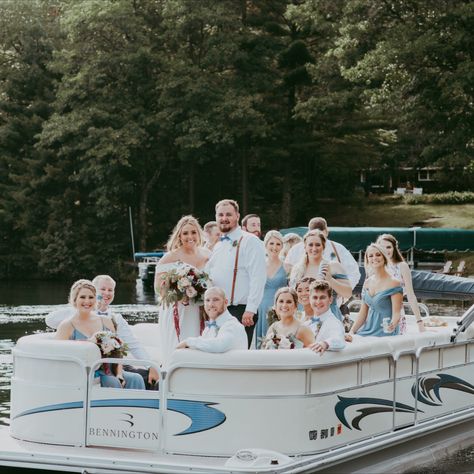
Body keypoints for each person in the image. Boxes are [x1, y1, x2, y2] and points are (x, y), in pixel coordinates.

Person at [46, 275, 158, 387]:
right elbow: (50, 320)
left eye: (110, 290)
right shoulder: (70, 320)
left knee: (139, 378)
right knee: (115, 380)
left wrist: (150, 365)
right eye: (103, 289)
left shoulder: (114, 319)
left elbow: (132, 344)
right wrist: (83, 307)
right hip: (88, 368)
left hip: (112, 364)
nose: (107, 293)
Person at [207, 199, 266, 348]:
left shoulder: (250, 241)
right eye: (220, 215)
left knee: (237, 356)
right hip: (219, 310)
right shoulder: (219, 244)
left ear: (238, 216)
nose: (224, 218)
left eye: (228, 214)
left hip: (241, 310)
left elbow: (258, 277)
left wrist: (251, 309)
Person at [154, 215, 210, 367]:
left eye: (193, 232)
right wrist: (180, 291)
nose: (189, 236)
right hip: (178, 308)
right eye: (185, 233)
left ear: (199, 234)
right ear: (179, 235)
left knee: (198, 343)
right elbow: (158, 288)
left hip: (200, 308)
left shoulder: (207, 254)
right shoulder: (170, 257)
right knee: (178, 344)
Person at [289, 230, 352, 321]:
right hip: (303, 317)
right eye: (310, 245)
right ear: (305, 247)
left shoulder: (333, 266)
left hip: (329, 317)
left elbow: (348, 293)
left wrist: (330, 280)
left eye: (318, 245)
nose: (314, 248)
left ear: (323, 247)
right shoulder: (297, 269)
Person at [285, 217, 361, 289]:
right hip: (303, 297)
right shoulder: (296, 250)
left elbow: (353, 272)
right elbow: (288, 274)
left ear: (326, 233)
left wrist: (342, 294)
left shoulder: (338, 249)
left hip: (330, 297)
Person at [348, 244, 403, 338]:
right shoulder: (367, 282)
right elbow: (363, 313)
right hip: (368, 330)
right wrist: (351, 332)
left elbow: (397, 313)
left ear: (384, 257)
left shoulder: (394, 283)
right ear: (367, 260)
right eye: (371, 256)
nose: (374, 258)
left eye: (378, 255)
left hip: (386, 331)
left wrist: (392, 325)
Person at [376, 233, 425, 333]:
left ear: (394, 248)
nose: (386, 250)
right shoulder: (375, 267)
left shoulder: (402, 266)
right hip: (377, 315)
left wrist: (420, 323)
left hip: (397, 314)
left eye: (388, 247)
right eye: (382, 247)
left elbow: (411, 295)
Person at [176, 287, 247, 352]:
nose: (211, 304)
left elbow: (220, 345)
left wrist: (188, 342)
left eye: (216, 300)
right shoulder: (208, 328)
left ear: (225, 302)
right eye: (207, 300)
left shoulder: (232, 325)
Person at [256, 230, 288, 346]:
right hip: (261, 307)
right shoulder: (258, 266)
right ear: (266, 245)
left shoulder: (288, 267)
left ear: (282, 246)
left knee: (279, 339)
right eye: (271, 243)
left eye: (278, 244)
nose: (275, 247)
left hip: (280, 308)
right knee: (263, 340)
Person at [306, 280, 346, 354]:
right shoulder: (306, 324)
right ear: (310, 299)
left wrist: (325, 344)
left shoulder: (334, 323)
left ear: (330, 300)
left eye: (322, 297)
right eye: (315, 297)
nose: (318, 302)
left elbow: (339, 340)